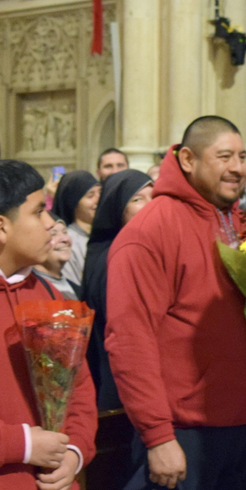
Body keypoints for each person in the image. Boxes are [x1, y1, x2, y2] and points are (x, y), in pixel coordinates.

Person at [104, 116, 246, 490]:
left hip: (244, 429)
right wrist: (158, 436)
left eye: (242, 157)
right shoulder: (152, 231)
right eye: (224, 156)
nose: (238, 168)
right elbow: (130, 341)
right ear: (187, 159)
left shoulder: (240, 224)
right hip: (185, 436)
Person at [0, 159, 97, 490]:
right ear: (1, 227)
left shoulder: (49, 293)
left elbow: (80, 390)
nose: (52, 223)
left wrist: (73, 454)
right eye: (38, 211)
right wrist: (23, 445)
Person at [83, 169, 153, 412]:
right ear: (116, 208)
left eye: (154, 196)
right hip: (122, 388)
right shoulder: (112, 257)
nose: (150, 205)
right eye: (138, 199)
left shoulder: (139, 251)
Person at [52, 170, 100, 287]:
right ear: (73, 203)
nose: (98, 199)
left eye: (100, 193)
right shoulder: (68, 241)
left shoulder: (101, 235)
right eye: (90, 195)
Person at [32, 216, 80, 300]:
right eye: (53, 234)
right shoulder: (30, 290)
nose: (65, 239)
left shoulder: (78, 291)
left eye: (65, 232)